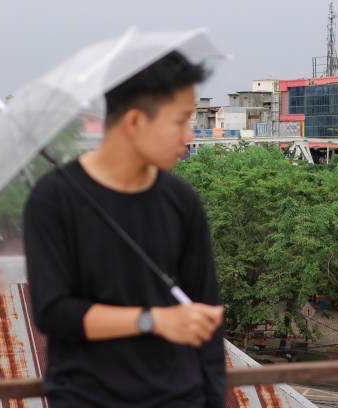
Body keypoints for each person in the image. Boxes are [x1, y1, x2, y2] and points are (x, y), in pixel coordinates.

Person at [23, 50, 225, 408]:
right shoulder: (54, 199)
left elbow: (207, 315)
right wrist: (154, 321)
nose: (188, 136)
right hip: (86, 398)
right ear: (135, 122)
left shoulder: (182, 201)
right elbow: (54, 313)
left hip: (178, 398)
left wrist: (212, 400)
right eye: (180, 121)